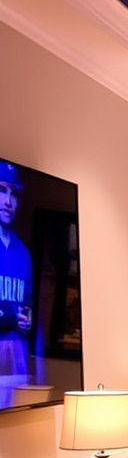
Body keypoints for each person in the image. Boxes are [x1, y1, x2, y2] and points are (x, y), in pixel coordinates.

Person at [0, 161, 33, 407]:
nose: (8, 202)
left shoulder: (23, 253)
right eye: (1, 190)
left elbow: (28, 303)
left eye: (14, 193)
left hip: (17, 363)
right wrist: (11, 317)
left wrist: (26, 317)